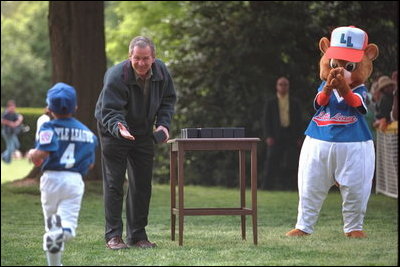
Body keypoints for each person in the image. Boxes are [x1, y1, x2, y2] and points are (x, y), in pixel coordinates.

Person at [95, 36, 177, 249]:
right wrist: (120, 128)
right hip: (113, 131)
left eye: (146, 58)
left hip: (142, 132)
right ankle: (113, 236)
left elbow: (168, 100)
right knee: (114, 184)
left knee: (142, 184)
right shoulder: (116, 75)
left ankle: (138, 236)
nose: (141, 63)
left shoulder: (161, 72)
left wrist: (163, 125)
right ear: (129, 57)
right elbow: (110, 110)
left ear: (154, 58)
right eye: (137, 58)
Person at [27, 82, 98, 266]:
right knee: (66, 226)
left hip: (51, 179)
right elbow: (90, 165)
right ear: (75, 106)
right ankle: (59, 246)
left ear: (49, 108)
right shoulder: (88, 134)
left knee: (52, 225)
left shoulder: (47, 127)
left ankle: (54, 255)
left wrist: (32, 154)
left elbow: (41, 155)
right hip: (74, 181)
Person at [261, 77, 304, 190]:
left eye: (285, 85)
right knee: (271, 161)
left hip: (291, 134)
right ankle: (266, 187)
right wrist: (268, 136)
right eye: (281, 84)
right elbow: (266, 120)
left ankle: (294, 187)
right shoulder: (270, 103)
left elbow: (299, 120)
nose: (283, 87)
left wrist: (299, 137)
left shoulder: (295, 102)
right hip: (276, 134)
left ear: (288, 87)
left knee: (293, 161)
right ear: (277, 86)